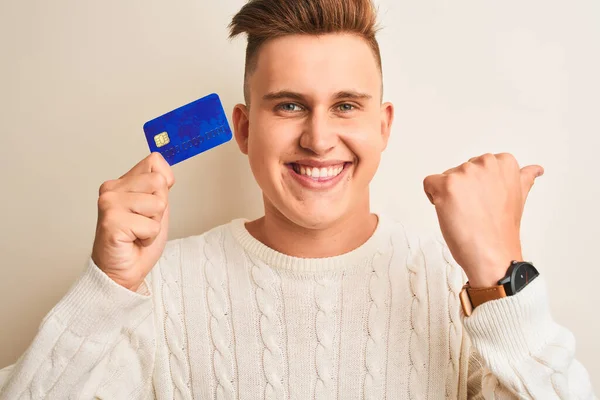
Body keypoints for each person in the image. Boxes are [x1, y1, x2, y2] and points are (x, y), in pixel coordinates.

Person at [0, 0, 596, 398]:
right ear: (242, 127)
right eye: (288, 104)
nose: (317, 138)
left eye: (345, 105)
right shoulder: (159, 291)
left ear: (383, 125)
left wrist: (501, 278)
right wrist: (107, 288)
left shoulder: (466, 288)